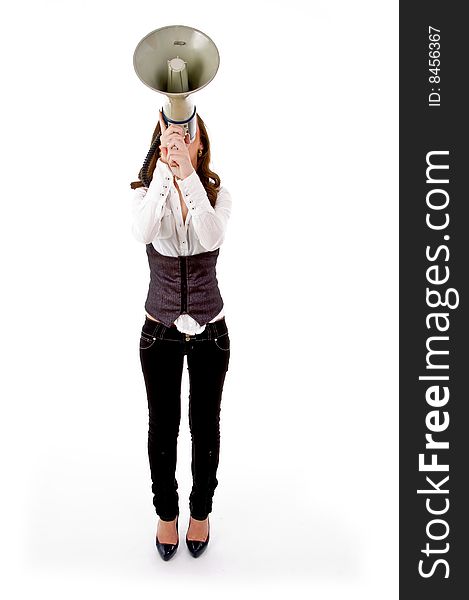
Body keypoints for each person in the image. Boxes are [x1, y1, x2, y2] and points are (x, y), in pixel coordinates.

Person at [130, 110, 232, 560]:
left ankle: (201, 512)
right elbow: (141, 231)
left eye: (184, 138)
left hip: (211, 332)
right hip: (160, 332)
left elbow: (209, 236)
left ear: (200, 145)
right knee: (163, 428)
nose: (176, 145)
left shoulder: (218, 194)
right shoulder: (143, 193)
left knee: (205, 427)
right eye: (168, 139)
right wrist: (163, 175)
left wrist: (188, 174)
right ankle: (166, 514)